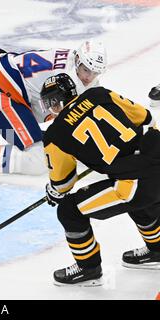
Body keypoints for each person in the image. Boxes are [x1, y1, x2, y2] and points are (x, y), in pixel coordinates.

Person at [41, 73, 160, 286]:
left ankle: (88, 268)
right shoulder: (99, 94)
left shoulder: (55, 134)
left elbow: (63, 184)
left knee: (69, 210)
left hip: (137, 180)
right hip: (155, 153)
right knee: (140, 198)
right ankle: (157, 250)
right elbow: (145, 117)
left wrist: (54, 191)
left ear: (56, 102)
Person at [0, 40, 107, 176]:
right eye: (86, 70)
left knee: (61, 140)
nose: (89, 77)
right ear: (77, 60)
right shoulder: (69, 79)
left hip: (7, 77)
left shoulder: (76, 67)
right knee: (38, 160)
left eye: (94, 73)